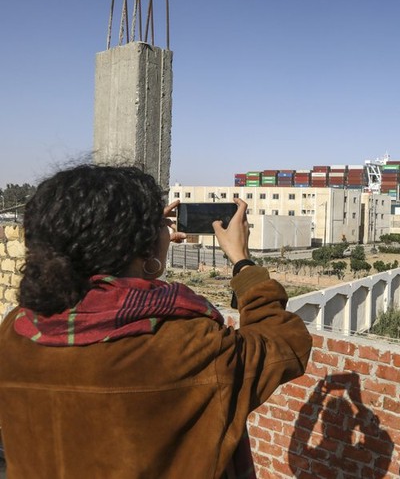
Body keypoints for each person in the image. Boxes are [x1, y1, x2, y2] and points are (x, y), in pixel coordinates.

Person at [0, 165, 312, 478]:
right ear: (144, 243)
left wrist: (143, 252)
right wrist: (242, 261)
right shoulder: (185, 346)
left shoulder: (16, 330)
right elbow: (286, 344)